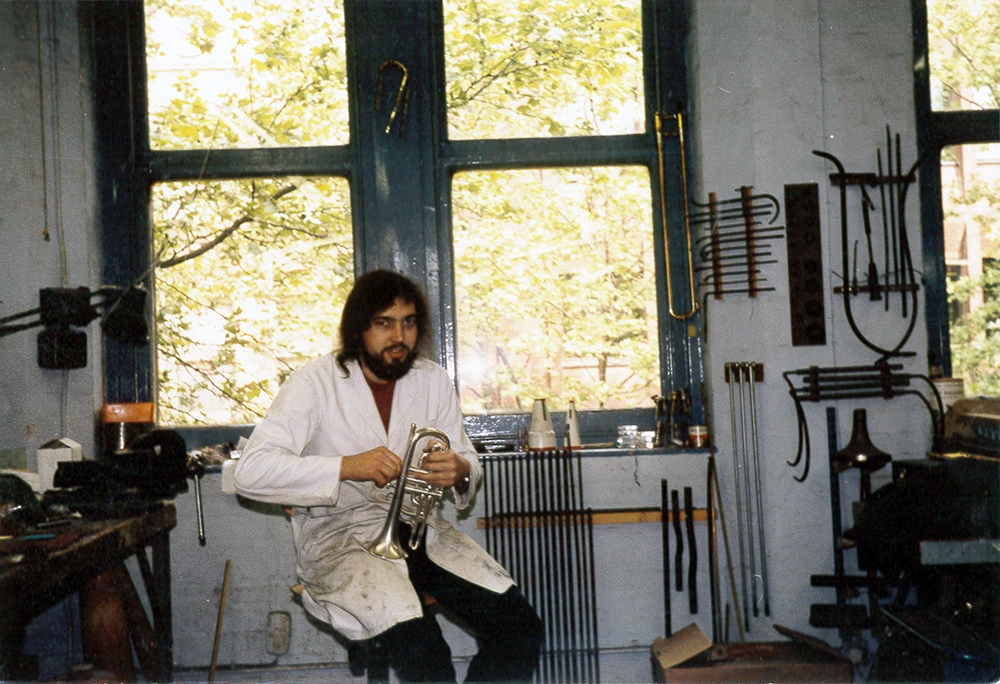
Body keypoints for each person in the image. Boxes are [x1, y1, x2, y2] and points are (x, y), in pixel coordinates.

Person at [234, 269, 542, 683]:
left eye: (409, 322)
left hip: (421, 535)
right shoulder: (314, 383)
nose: (399, 337)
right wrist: (347, 466)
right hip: (343, 539)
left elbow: (466, 456)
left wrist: (461, 469)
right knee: (426, 655)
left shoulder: (432, 379)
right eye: (384, 323)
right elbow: (251, 471)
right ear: (358, 330)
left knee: (520, 628)